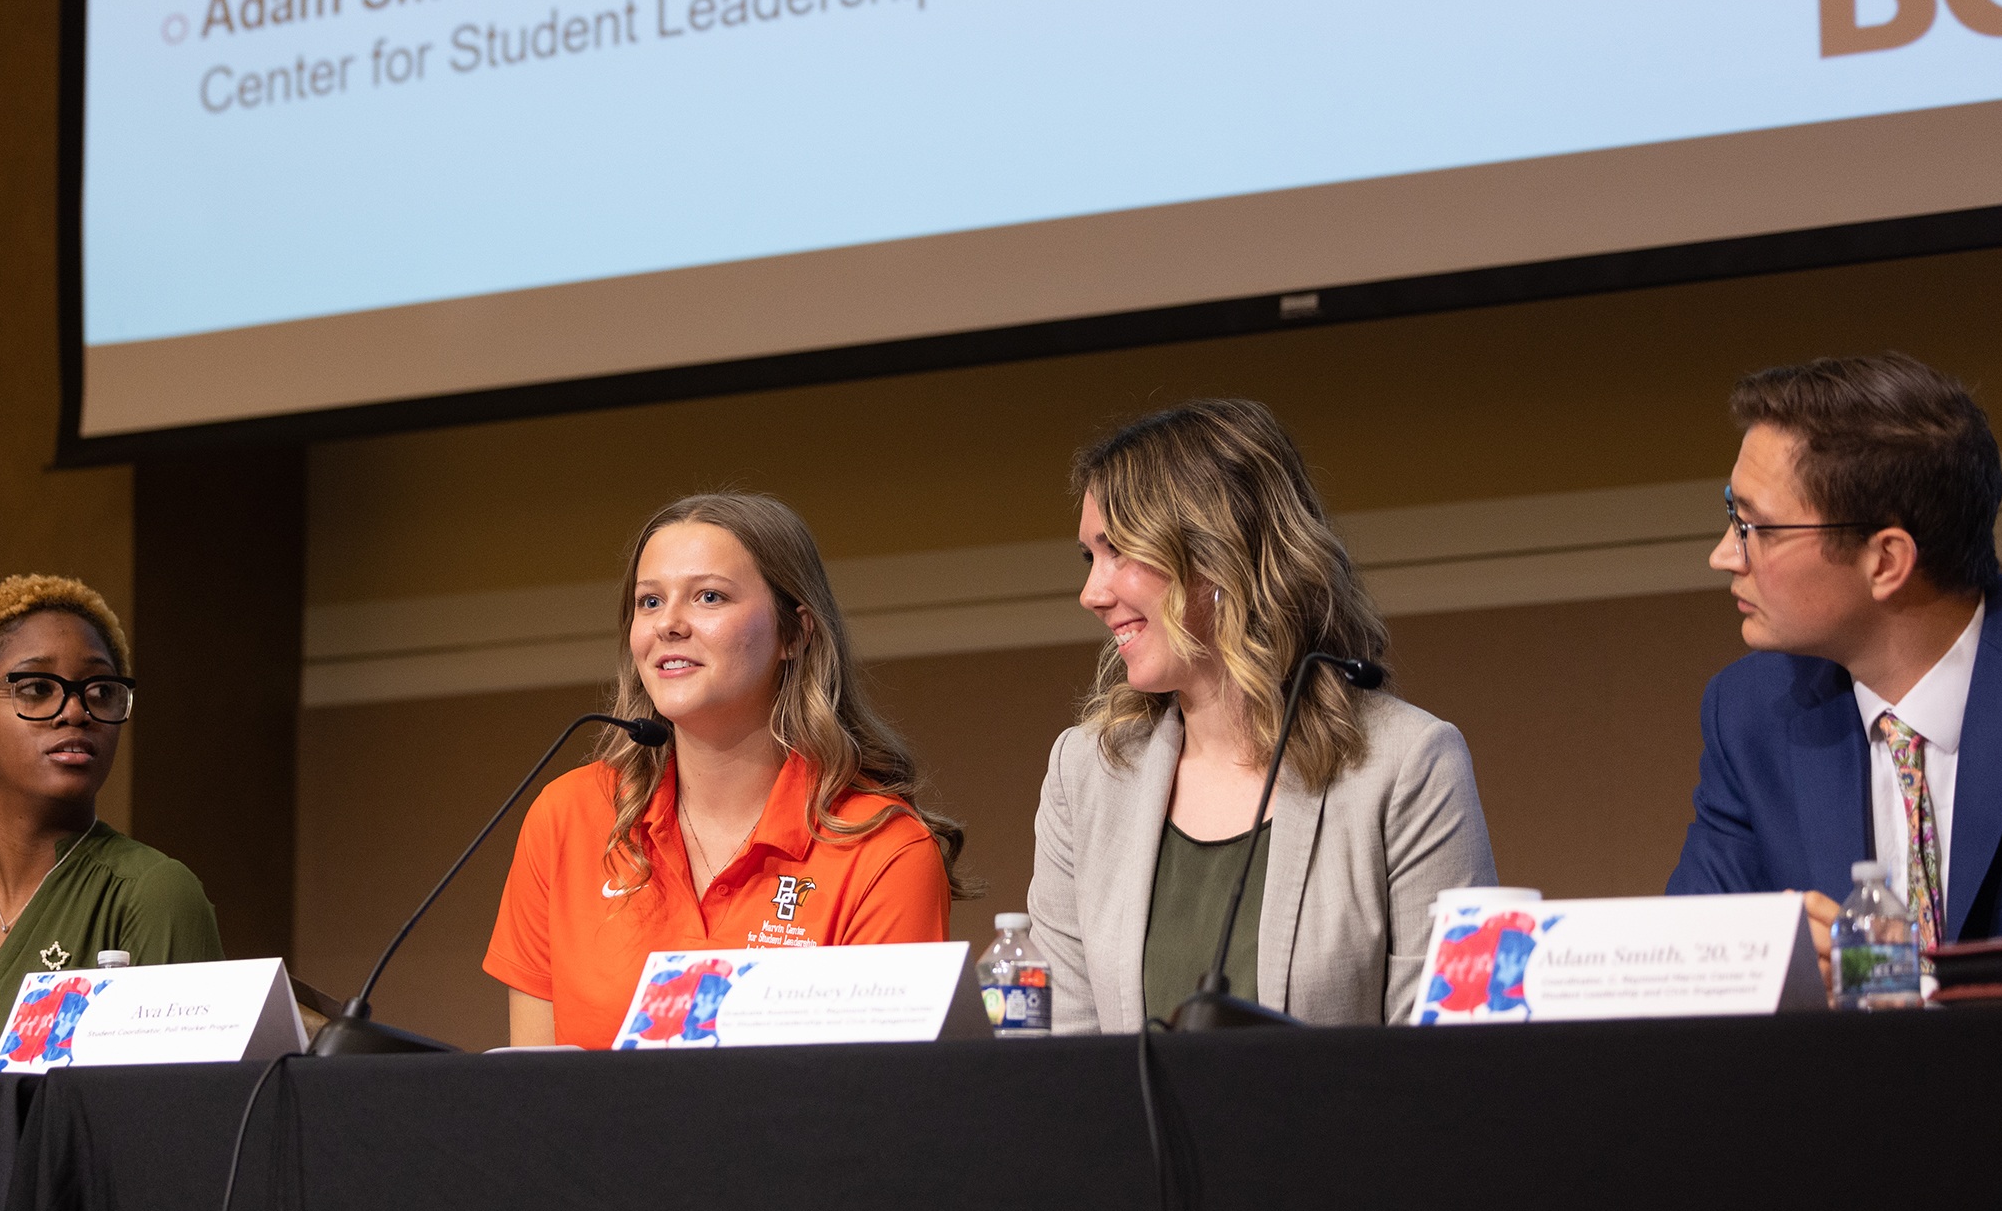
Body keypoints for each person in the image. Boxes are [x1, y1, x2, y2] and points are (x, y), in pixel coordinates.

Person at [1028, 400, 1496, 1030]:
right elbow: (1068, 1065)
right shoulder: (1084, 774)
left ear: (1218, 556)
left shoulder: (1409, 764)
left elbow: (1447, 1065)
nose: (1092, 593)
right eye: (1090, 558)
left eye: (1119, 552)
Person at [486, 493, 970, 1049]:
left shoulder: (883, 849)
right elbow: (527, 1092)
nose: (668, 623)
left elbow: (882, 1108)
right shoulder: (566, 817)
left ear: (795, 633)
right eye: (649, 602)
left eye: (709, 596)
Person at [1668, 353, 2002, 951]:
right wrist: (1768, 963)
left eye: (1757, 527)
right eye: (1734, 515)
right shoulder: (1750, 713)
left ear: (1885, 561)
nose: (1725, 554)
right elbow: (1688, 959)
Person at [0, 574, 224, 1072]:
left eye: (101, 690)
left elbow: (175, 1122)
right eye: (38, 688)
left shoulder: (154, 895)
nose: (77, 711)